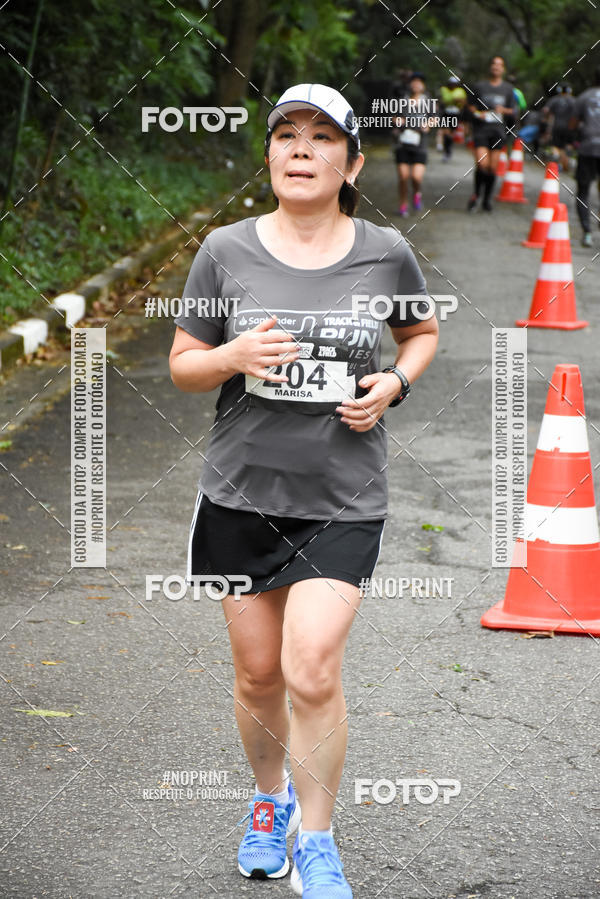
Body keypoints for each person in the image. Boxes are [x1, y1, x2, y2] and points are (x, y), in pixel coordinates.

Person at [169, 83, 438, 897]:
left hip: (342, 496)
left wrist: (393, 383)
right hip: (239, 492)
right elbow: (184, 364)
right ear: (269, 156)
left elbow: (421, 331)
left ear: (353, 162)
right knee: (257, 677)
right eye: (286, 133)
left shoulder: (385, 252)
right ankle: (269, 801)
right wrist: (233, 355)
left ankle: (317, 841)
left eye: (323, 137)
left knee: (311, 666)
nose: (301, 148)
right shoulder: (224, 249)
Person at [467, 55, 517, 212]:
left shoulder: (508, 89)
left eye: (499, 65)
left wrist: (504, 110)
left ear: (503, 69)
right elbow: (470, 107)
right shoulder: (479, 86)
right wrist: (478, 114)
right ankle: (476, 194)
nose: (496, 67)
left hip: (498, 132)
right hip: (481, 130)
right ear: (490, 67)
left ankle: (487, 199)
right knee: (482, 164)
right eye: (494, 64)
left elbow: (514, 110)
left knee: (493, 168)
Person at [392, 71, 433, 215]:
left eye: (419, 81)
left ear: (423, 85)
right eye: (413, 81)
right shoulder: (402, 100)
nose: (416, 84)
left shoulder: (428, 102)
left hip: (420, 145)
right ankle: (403, 204)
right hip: (402, 143)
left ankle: (417, 194)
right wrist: (397, 121)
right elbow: (394, 117)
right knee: (403, 177)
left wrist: (428, 125)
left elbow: (434, 118)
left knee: (416, 177)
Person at [570, 68, 600, 247]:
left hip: (588, 148)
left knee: (583, 191)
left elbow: (572, 124)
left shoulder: (584, 97)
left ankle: (587, 233)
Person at [543, 83, 576, 173]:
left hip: (556, 126)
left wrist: (546, 123)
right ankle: (564, 165)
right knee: (568, 146)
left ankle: (555, 162)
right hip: (569, 128)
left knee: (555, 146)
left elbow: (546, 110)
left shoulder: (554, 100)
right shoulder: (573, 100)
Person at [439, 74, 467, 160]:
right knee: (446, 132)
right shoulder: (444, 90)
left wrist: (459, 102)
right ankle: (445, 149)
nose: (452, 85)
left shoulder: (460, 91)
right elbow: (441, 100)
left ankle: (448, 150)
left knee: (451, 134)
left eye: (454, 84)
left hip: (455, 114)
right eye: (451, 83)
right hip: (446, 113)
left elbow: (464, 102)